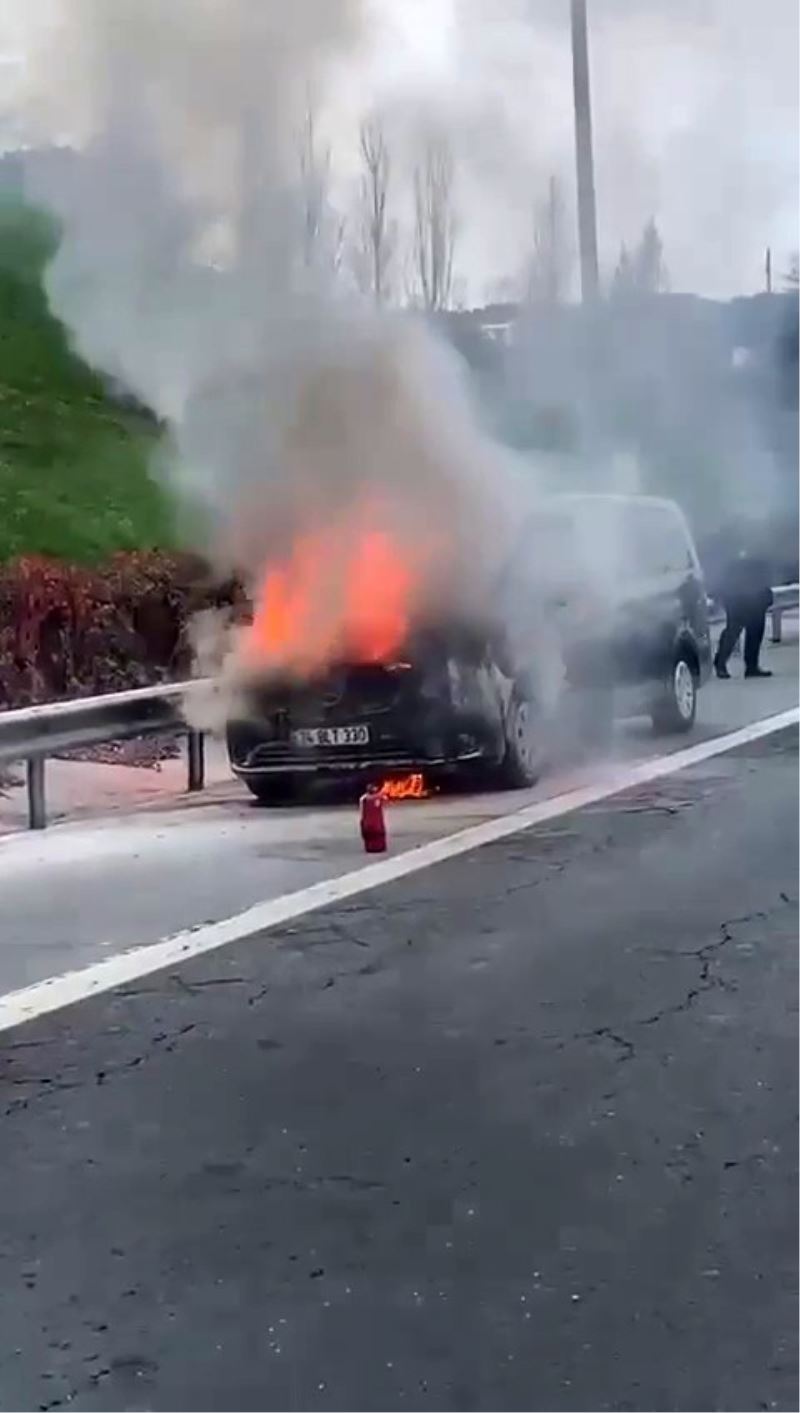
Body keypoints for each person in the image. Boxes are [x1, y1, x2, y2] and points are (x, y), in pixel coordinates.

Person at [713, 541, 774, 680]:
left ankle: (751, 666)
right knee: (733, 631)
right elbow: (721, 572)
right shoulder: (730, 548)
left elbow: (764, 571)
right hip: (736, 595)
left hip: (756, 593)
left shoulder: (758, 548)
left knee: (755, 631)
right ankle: (720, 663)